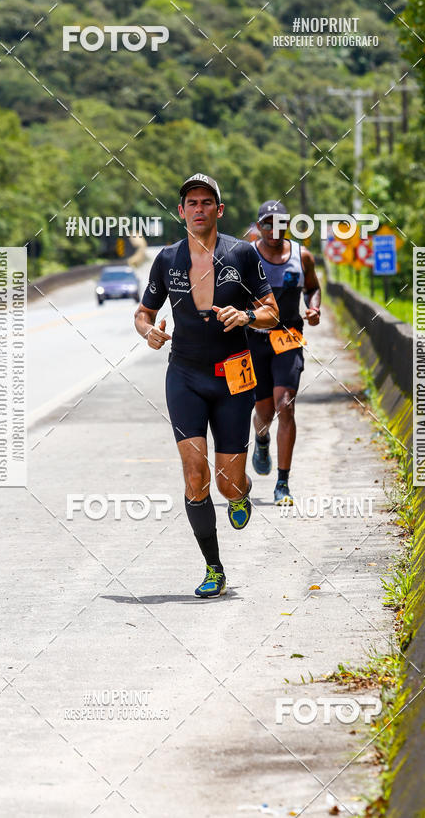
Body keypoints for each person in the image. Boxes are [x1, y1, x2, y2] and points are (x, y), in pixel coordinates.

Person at [134, 174, 279, 598]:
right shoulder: (167, 259)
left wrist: (248, 317)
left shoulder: (243, 254)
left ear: (219, 210)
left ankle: (242, 492)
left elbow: (271, 312)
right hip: (184, 375)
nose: (198, 209)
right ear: (181, 212)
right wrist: (148, 332)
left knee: (226, 483)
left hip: (233, 375)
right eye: (191, 203)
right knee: (194, 477)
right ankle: (214, 568)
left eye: (206, 202)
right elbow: (143, 313)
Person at [247, 200, 321, 505]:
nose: (273, 230)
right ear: (258, 226)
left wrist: (313, 308)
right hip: (255, 339)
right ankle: (262, 439)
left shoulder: (302, 256)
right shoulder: (246, 256)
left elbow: (313, 288)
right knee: (263, 412)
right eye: (267, 223)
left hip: (289, 337)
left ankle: (283, 483)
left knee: (285, 405)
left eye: (280, 223)